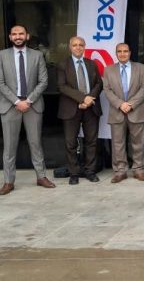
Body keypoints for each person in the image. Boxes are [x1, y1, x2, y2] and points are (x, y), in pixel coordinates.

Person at [0, 25, 54, 195]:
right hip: (10, 105)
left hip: (33, 105)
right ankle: (8, 181)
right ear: (10, 37)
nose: (18, 36)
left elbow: (43, 81)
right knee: (9, 145)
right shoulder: (2, 55)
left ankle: (41, 176)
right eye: (14, 34)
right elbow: (0, 82)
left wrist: (28, 101)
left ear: (27, 36)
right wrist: (17, 101)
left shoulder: (37, 55)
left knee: (35, 143)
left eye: (21, 33)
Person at [102, 43, 144, 183]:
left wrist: (131, 104)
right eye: (119, 51)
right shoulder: (108, 70)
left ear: (130, 52)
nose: (122, 54)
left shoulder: (141, 68)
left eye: (125, 51)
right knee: (118, 143)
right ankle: (120, 171)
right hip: (117, 111)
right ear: (116, 53)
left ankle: (139, 169)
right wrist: (120, 104)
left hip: (137, 110)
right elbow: (107, 90)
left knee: (139, 142)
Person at [57, 36, 102, 185]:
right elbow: (62, 86)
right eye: (75, 45)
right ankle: (74, 173)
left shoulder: (92, 63)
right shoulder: (63, 65)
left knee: (91, 142)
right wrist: (82, 99)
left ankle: (90, 171)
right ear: (70, 47)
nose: (78, 47)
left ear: (84, 47)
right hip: (71, 108)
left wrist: (89, 99)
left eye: (81, 45)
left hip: (91, 108)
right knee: (70, 143)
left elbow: (99, 84)